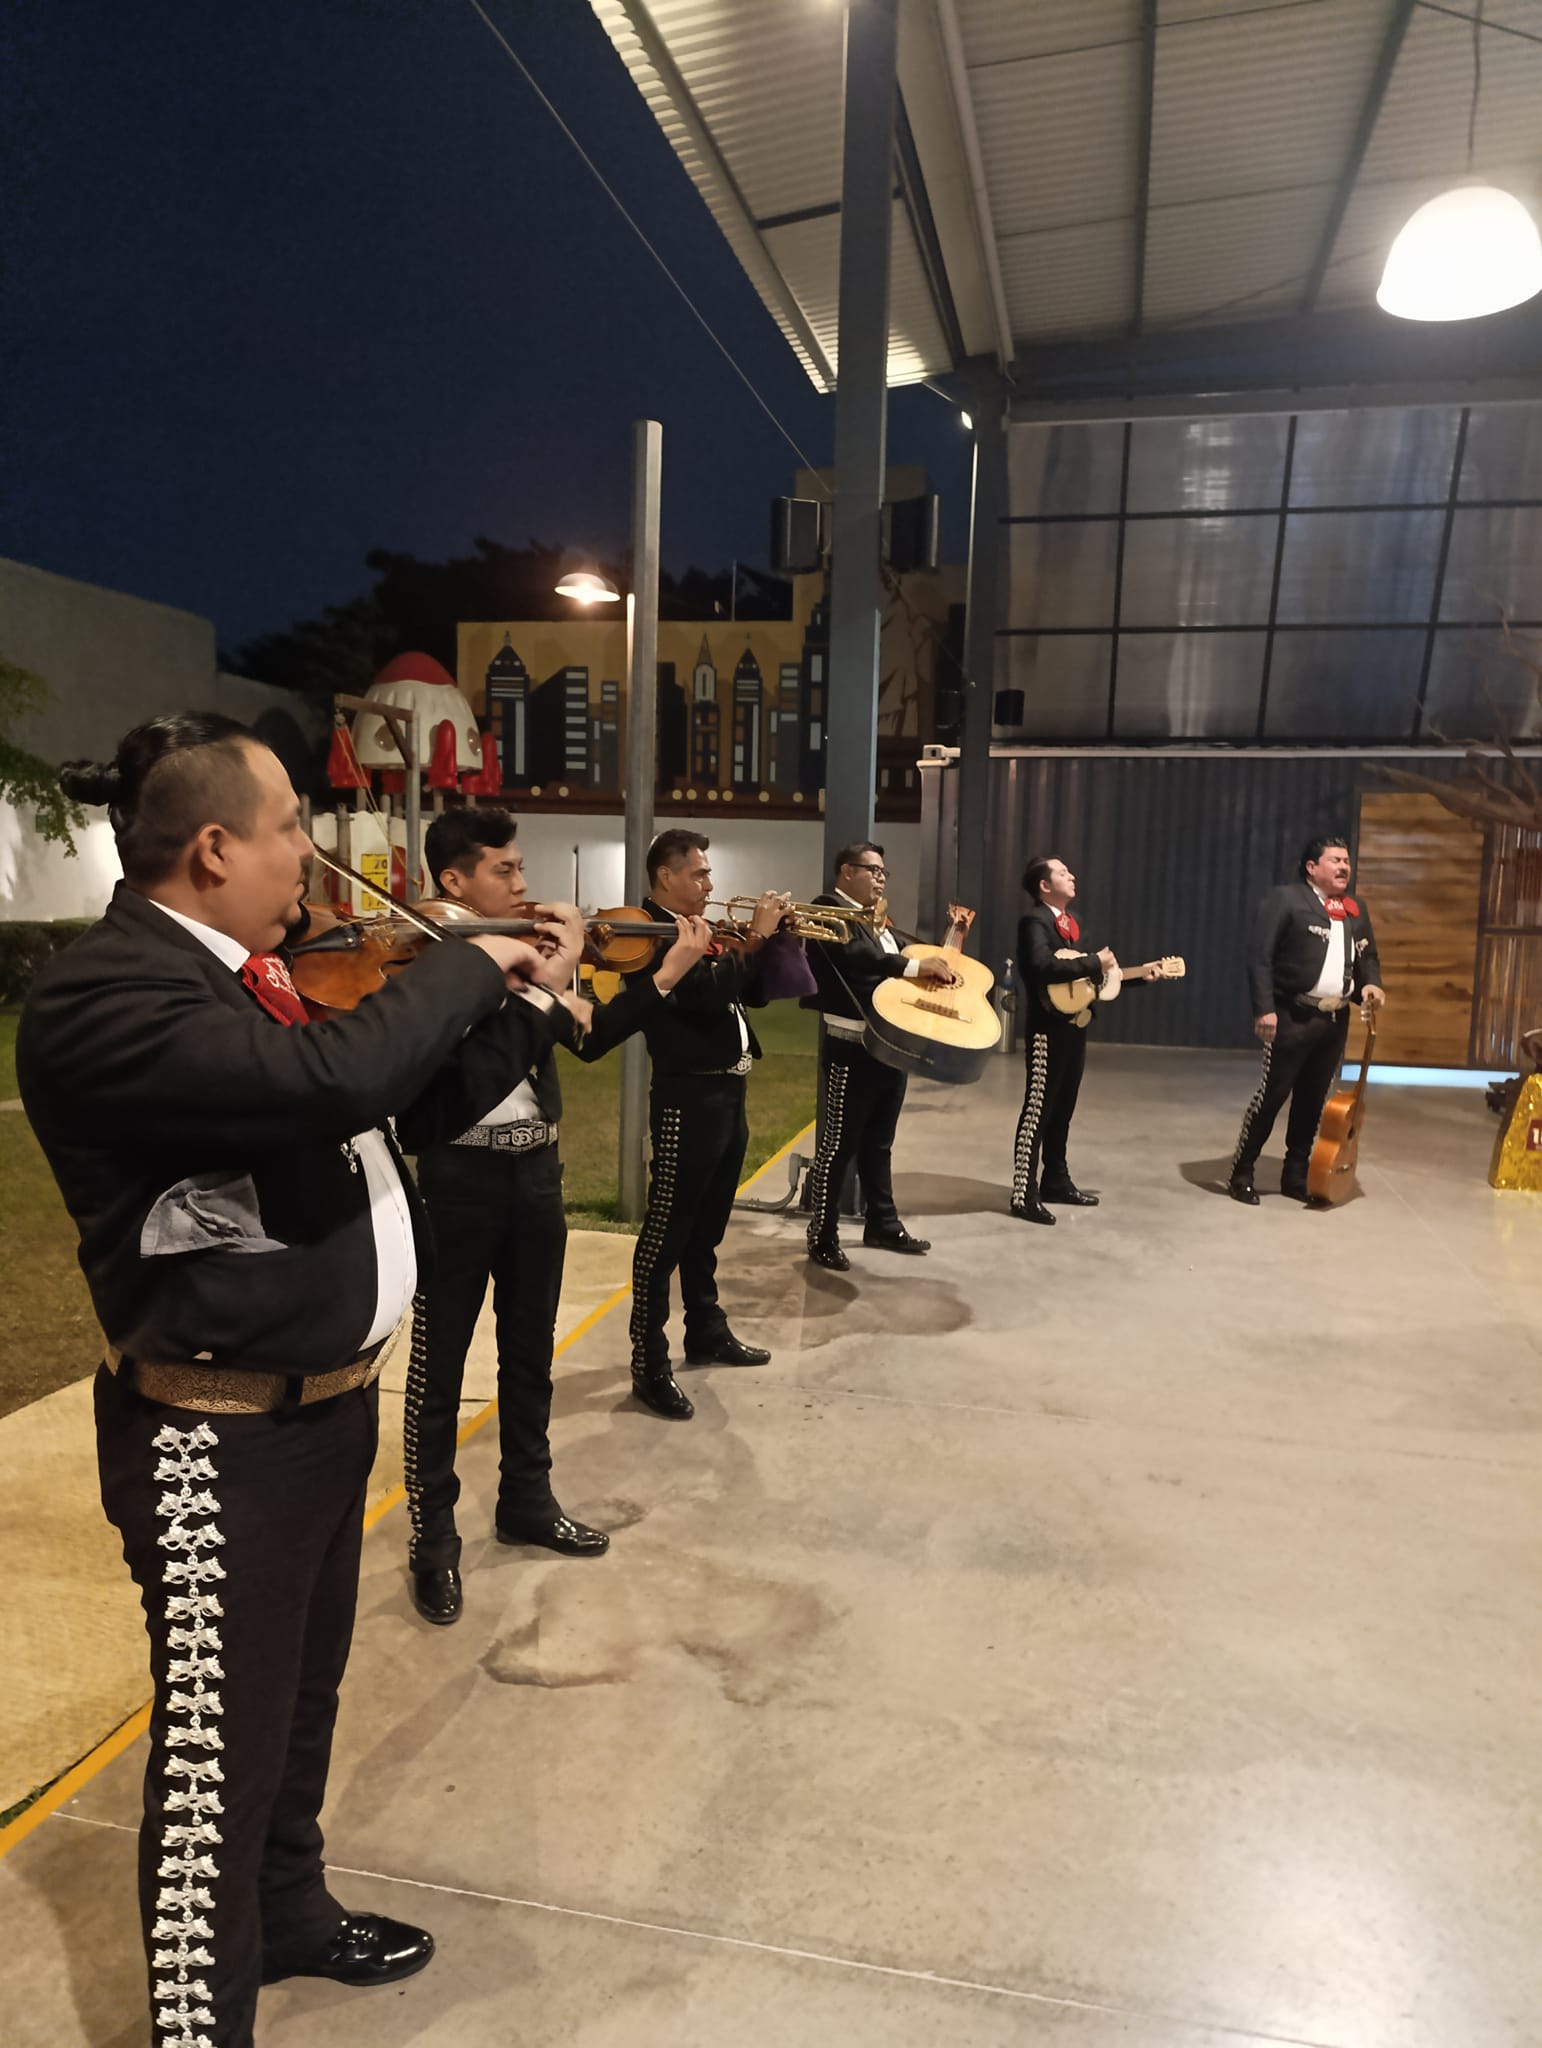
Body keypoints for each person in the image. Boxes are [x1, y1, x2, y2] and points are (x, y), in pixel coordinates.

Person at [17, 713, 583, 2046]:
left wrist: (521, 1003)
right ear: (214, 848)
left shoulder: (250, 979)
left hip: (319, 1419)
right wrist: (461, 961)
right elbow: (326, 1080)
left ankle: (286, 1915)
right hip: (215, 1445)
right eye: (288, 834)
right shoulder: (107, 996)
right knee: (218, 1756)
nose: (311, 864)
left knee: (299, 1709)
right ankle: (196, 2022)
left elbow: (395, 1112)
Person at [399, 807, 713, 1626]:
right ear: (454, 882)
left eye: (520, 868)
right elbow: (462, 1069)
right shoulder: (427, 962)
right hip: (457, 1178)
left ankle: (527, 1503)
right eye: (504, 871)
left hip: (535, 1171)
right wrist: (542, 984)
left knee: (529, 1352)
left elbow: (590, 1037)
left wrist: (666, 974)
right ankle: (433, 1541)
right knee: (439, 1366)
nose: (523, 885)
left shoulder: (535, 957)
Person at [624, 830, 786, 1421]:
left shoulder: (702, 930)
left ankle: (706, 1328)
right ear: (664, 877)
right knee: (666, 1231)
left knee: (707, 1226)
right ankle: (649, 1359)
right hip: (683, 1099)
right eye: (698, 874)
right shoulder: (649, 933)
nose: (710, 885)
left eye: (709, 874)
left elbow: (754, 996)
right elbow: (701, 998)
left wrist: (768, 947)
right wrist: (756, 939)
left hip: (727, 1091)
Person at [802, 841, 955, 1270]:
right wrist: (912, 967)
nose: (881, 877)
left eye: (884, 871)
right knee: (839, 1145)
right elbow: (856, 956)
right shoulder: (827, 908)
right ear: (845, 872)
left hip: (888, 1044)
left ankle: (882, 1224)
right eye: (872, 870)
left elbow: (890, 956)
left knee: (879, 1143)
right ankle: (822, 1234)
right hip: (850, 1045)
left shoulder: (877, 919)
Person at [1229, 833, 1385, 1205]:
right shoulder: (1286, 900)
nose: (1344, 866)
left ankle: (1295, 1175)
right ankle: (1242, 1172)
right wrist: (1264, 1008)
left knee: (1313, 1101)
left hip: (1333, 1022)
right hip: (1290, 1015)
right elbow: (1260, 958)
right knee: (1273, 1096)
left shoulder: (1354, 908)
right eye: (1335, 860)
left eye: (1346, 861)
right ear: (1312, 868)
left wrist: (1371, 986)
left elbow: (1368, 958)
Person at [1011, 855, 1118, 1225]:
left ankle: (1055, 1178)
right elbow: (1042, 966)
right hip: (1046, 1030)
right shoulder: (1034, 921)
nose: (1071, 875)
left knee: (1064, 1110)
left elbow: (1082, 979)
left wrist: (1136, 976)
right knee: (1038, 1109)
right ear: (1044, 886)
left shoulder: (1073, 923)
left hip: (1075, 1027)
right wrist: (1094, 962)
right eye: (1061, 873)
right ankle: (1023, 1191)